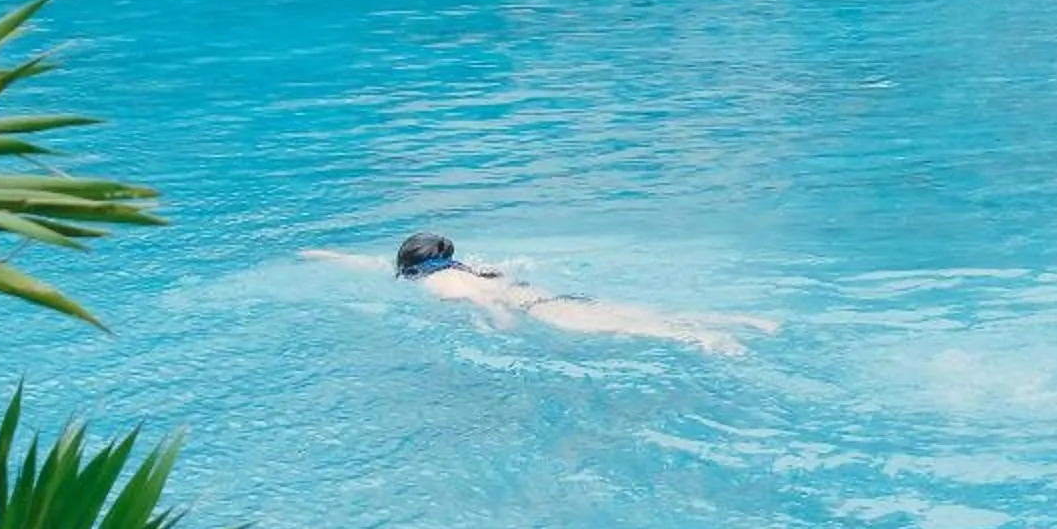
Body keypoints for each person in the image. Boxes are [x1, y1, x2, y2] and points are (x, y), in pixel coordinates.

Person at [306, 231, 770, 355]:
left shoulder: (440, 282)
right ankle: (736, 321)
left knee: (639, 331)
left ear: (408, 265)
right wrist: (322, 255)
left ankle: (709, 339)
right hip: (551, 295)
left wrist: (499, 329)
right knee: (641, 313)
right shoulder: (465, 266)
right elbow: (370, 264)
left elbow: (483, 304)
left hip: (541, 313)